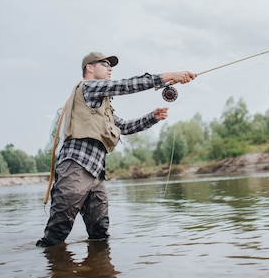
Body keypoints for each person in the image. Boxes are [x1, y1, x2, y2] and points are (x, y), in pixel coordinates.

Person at [36, 51, 196, 247]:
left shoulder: (104, 105)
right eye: (104, 64)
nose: (109, 68)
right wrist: (168, 76)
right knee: (57, 231)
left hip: (96, 173)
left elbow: (124, 127)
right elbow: (124, 86)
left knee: (100, 233)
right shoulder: (88, 87)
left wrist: (153, 117)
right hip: (75, 167)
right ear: (90, 67)